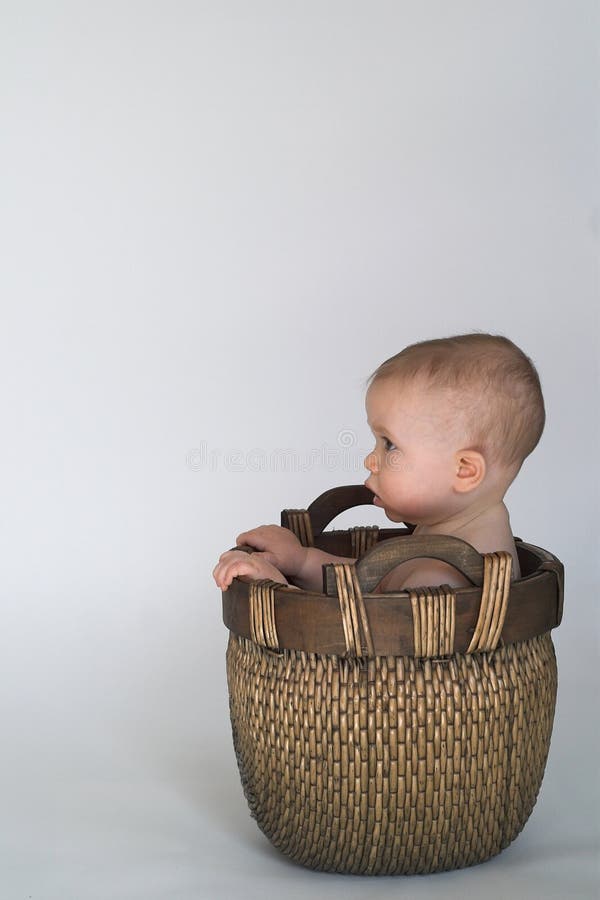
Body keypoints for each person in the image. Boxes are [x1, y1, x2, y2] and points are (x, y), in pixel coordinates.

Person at [212, 333, 545, 593]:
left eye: (389, 444)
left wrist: (280, 588)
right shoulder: (449, 530)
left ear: (464, 471)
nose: (371, 460)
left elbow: (362, 640)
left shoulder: (443, 577)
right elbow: (371, 582)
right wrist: (301, 561)